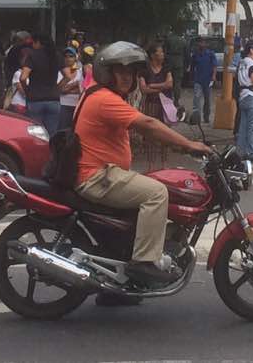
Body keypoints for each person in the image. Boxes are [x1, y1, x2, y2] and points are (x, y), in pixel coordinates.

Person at [74, 41, 210, 288]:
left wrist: (176, 144)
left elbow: (148, 129)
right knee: (157, 193)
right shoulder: (105, 99)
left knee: (149, 188)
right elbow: (148, 124)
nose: (127, 78)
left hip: (104, 173)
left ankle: (116, 286)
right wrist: (190, 145)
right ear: (108, 72)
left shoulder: (100, 94)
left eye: (132, 73)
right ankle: (144, 263)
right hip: (97, 176)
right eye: (121, 72)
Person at [139, 43, 175, 171]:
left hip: (165, 106)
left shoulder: (166, 68)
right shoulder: (145, 70)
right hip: (151, 105)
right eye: (160, 52)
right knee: (151, 136)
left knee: (166, 134)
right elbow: (143, 89)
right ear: (153, 55)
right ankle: (151, 165)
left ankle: (165, 163)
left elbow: (169, 84)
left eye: (163, 52)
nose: (162, 55)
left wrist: (152, 86)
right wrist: (161, 87)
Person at [20, 34, 59, 135]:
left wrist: (26, 89)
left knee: (36, 134)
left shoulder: (32, 55)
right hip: (53, 99)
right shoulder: (56, 55)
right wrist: (58, 88)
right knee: (52, 133)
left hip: (35, 99)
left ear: (38, 43)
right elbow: (67, 75)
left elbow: (23, 77)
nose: (32, 45)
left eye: (33, 43)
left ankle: (38, 150)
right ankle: (51, 150)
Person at [189, 38, 217, 125]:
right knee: (196, 99)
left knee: (207, 100)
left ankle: (206, 117)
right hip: (198, 79)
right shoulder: (195, 54)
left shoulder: (210, 54)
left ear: (206, 44)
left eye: (202, 42)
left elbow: (214, 66)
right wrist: (191, 78)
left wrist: (213, 76)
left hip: (207, 80)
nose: (201, 44)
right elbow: (192, 67)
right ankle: (196, 118)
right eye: (199, 42)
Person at [56, 46, 84, 129]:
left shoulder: (82, 72)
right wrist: (76, 84)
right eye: (66, 56)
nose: (68, 58)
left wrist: (67, 88)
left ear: (76, 58)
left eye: (71, 56)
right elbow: (59, 90)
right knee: (62, 130)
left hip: (77, 106)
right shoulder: (59, 72)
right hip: (63, 105)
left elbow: (84, 90)